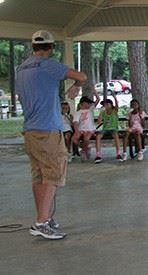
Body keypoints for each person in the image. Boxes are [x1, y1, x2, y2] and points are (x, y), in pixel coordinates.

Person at [16, 30, 87, 240]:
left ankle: (42, 218)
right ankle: (41, 222)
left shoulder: (22, 68)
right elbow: (81, 76)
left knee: (39, 175)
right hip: (47, 129)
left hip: (30, 129)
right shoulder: (47, 65)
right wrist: (76, 87)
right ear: (51, 47)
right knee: (53, 174)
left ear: (33, 46)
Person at [94, 93, 123, 163]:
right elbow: (99, 122)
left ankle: (119, 153)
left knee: (116, 136)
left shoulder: (114, 111)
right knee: (98, 136)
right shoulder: (103, 112)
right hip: (105, 129)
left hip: (113, 129)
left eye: (107, 104)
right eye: (104, 105)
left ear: (111, 105)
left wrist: (115, 97)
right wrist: (101, 113)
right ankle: (98, 155)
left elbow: (117, 105)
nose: (105, 106)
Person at [72, 94, 101, 161]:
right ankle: (85, 148)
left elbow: (98, 99)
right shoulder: (78, 112)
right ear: (82, 104)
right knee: (74, 139)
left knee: (86, 138)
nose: (89, 104)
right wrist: (77, 131)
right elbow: (75, 122)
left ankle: (83, 151)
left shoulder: (91, 109)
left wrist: (94, 91)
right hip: (81, 129)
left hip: (90, 129)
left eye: (89, 103)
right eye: (87, 103)